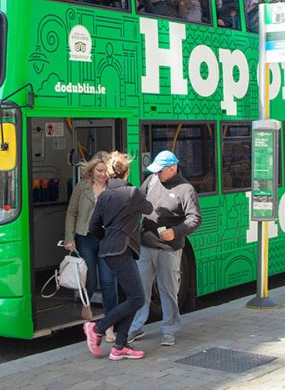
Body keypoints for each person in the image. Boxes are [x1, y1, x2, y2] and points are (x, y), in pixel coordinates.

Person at [126, 150, 201, 347]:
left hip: (169, 248)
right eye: (156, 171)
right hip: (146, 244)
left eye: (160, 171)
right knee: (140, 288)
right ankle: (136, 327)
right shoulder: (151, 180)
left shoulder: (186, 189)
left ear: (172, 168)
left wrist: (176, 231)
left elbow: (195, 218)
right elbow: (138, 200)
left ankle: (169, 330)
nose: (157, 174)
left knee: (168, 290)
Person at [83, 151, 151, 360]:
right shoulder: (132, 193)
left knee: (132, 297)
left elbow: (93, 226)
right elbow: (148, 208)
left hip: (110, 250)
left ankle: (120, 345)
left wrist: (107, 237)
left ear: (110, 174)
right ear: (126, 172)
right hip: (122, 250)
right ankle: (97, 328)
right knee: (138, 297)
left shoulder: (104, 196)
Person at [64, 151, 117, 321]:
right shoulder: (82, 186)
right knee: (90, 279)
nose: (102, 175)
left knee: (108, 280)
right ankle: (86, 306)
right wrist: (69, 238)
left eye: (105, 171)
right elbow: (72, 212)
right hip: (85, 238)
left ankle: (110, 319)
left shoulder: (114, 187)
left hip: (106, 239)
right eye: (99, 171)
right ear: (92, 170)